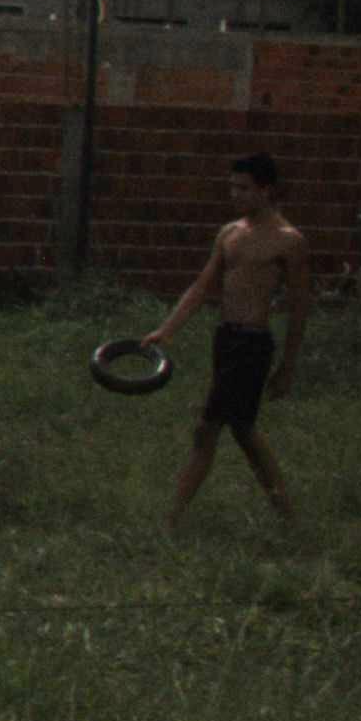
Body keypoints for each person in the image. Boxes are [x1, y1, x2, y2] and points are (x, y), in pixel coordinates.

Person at [142, 151, 308, 527]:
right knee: (242, 431)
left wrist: (288, 366)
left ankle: (170, 520)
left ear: (266, 190)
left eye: (244, 188)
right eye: (232, 187)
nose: (235, 194)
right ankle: (288, 517)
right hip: (226, 339)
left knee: (209, 428)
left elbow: (300, 307)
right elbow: (201, 287)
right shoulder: (229, 233)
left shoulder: (289, 241)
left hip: (253, 344)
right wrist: (166, 329)